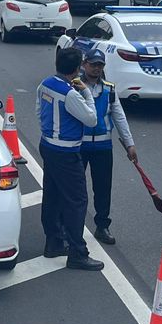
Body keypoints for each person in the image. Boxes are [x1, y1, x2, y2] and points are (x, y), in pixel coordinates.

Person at [37, 47, 104, 271]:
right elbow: (91, 119)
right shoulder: (71, 94)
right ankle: (77, 252)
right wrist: (86, 93)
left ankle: (53, 242)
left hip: (48, 144)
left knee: (52, 195)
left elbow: (39, 111)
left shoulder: (45, 84)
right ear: (76, 69)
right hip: (67, 151)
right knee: (77, 201)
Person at [78, 49, 137, 246]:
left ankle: (102, 225)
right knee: (77, 189)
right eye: (93, 64)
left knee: (103, 188)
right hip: (78, 145)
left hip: (103, 146)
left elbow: (119, 116)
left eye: (100, 65)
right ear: (84, 65)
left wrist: (129, 144)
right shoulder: (75, 87)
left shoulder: (110, 90)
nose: (96, 68)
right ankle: (73, 226)